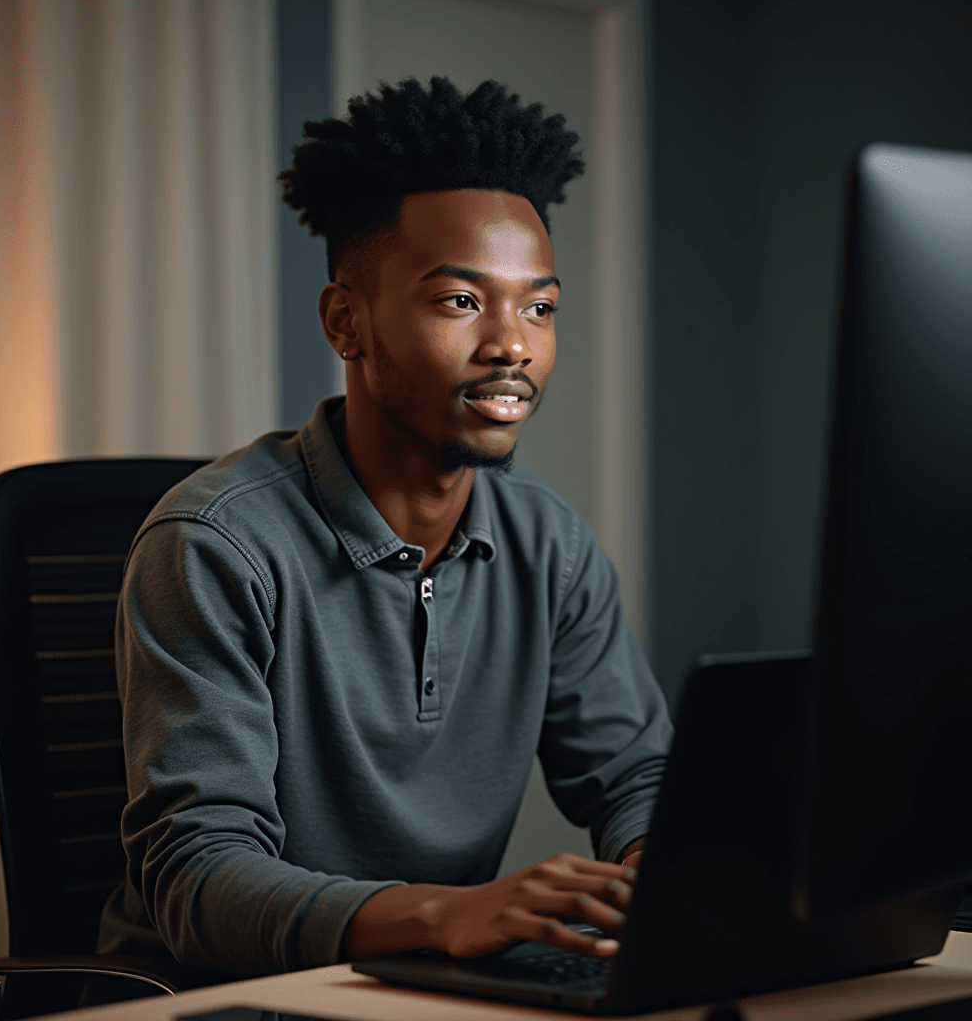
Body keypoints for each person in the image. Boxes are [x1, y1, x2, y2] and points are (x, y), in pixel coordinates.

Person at [97, 75, 674, 979]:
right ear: (346, 323)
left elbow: (638, 775)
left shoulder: (548, 542)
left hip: (428, 991)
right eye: (459, 302)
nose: (512, 344)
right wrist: (450, 914)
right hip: (223, 1001)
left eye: (540, 307)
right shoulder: (214, 545)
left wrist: (657, 879)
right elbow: (196, 878)